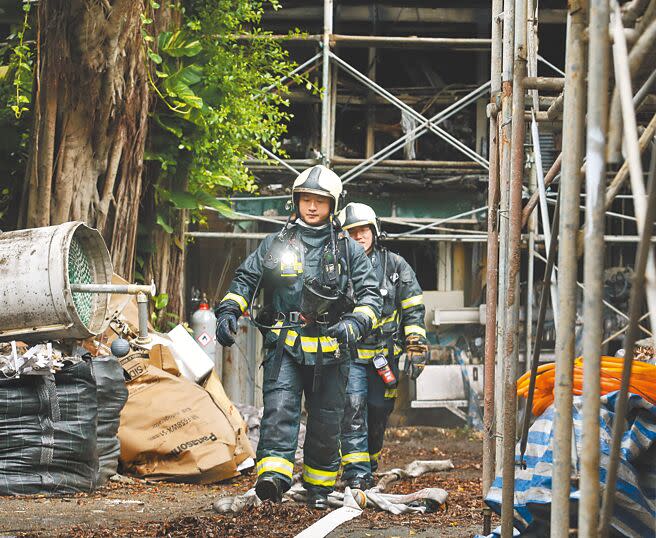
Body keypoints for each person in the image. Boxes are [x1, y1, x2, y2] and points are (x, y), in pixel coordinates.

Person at [214, 166, 382, 509]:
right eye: (306, 199)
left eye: (319, 201)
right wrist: (229, 311)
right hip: (285, 347)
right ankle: (273, 479)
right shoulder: (275, 244)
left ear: (332, 205)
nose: (311, 207)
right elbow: (246, 279)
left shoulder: (348, 249)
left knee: (326, 420)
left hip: (332, 350)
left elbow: (371, 297)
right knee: (279, 410)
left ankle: (318, 489)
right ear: (296, 200)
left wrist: (355, 325)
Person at [337, 202, 429, 490]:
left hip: (383, 357)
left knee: (379, 409)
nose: (358, 236)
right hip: (348, 355)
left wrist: (415, 345)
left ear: (374, 231)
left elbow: (413, 308)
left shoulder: (395, 266)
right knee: (352, 407)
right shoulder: (335, 267)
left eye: (363, 229)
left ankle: (370, 461)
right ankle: (355, 472)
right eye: (351, 232)